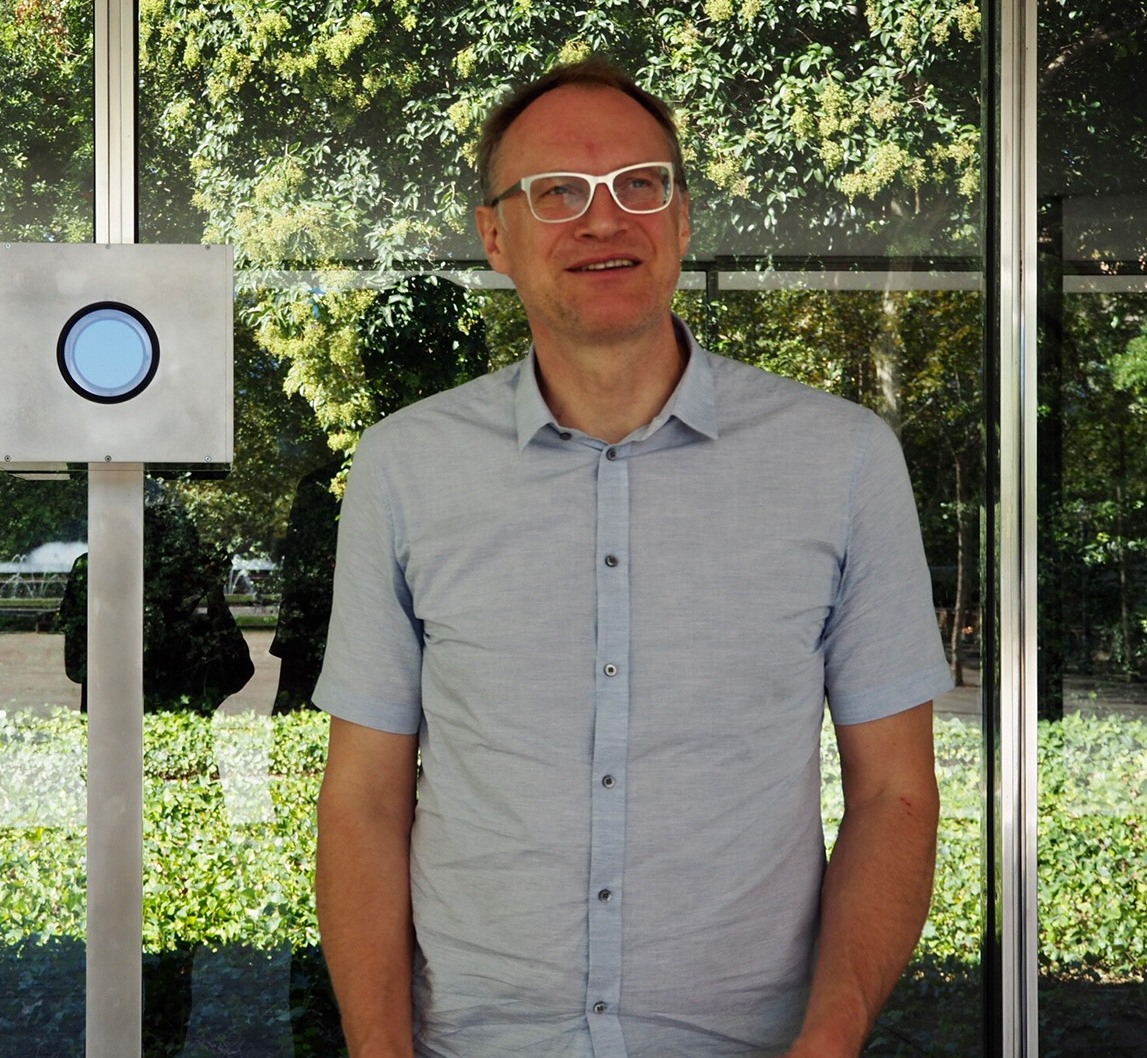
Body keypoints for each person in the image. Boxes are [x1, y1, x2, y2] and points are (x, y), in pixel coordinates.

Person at [311, 57, 952, 1058]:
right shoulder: (405, 467)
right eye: (556, 192)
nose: (602, 220)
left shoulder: (843, 460)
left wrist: (828, 1039)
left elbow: (894, 792)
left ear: (682, 220)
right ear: (495, 235)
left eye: (636, 185)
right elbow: (362, 795)